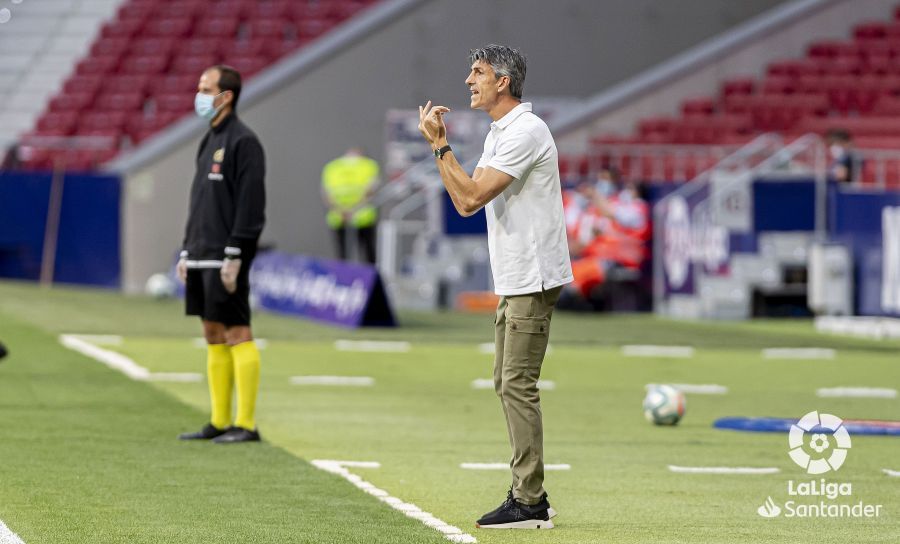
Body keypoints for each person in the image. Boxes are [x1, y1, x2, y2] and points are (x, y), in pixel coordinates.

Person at [418, 44, 572, 529]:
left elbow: (468, 199)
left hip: (532, 274)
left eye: (478, 72)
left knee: (517, 384)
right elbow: (467, 198)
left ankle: (530, 502)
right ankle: (529, 496)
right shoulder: (502, 131)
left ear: (503, 81)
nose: (469, 80)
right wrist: (441, 147)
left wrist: (440, 146)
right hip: (517, 274)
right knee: (507, 382)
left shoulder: (525, 130)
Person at [175, 65, 266, 444]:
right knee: (212, 333)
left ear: (226, 96)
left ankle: (246, 424)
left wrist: (235, 252)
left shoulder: (244, 142)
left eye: (206, 88)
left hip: (225, 256)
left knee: (237, 331)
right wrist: (187, 248)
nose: (199, 95)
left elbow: (251, 204)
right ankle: (218, 420)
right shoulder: (208, 139)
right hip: (201, 252)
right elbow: (199, 201)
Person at [321, 148, 380, 264]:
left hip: (341, 216)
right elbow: (371, 191)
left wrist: (340, 210)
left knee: (343, 253)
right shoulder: (369, 166)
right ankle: (366, 274)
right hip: (361, 215)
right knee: (366, 253)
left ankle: (344, 274)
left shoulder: (332, 167)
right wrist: (353, 210)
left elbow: (326, 193)